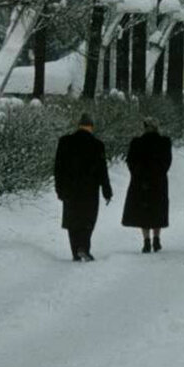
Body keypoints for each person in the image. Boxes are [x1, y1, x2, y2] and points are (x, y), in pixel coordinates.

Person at [53, 112, 113, 262]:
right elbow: (102, 170)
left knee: (72, 219)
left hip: (69, 188)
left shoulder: (65, 141)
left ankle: (75, 250)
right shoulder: (97, 145)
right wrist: (107, 190)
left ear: (78, 125)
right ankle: (84, 247)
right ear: (91, 127)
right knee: (87, 219)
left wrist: (59, 188)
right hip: (89, 189)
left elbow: (58, 167)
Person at [122, 117, 172, 254]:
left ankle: (146, 241)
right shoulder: (164, 142)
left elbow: (130, 161)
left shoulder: (136, 143)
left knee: (143, 212)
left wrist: (137, 174)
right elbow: (167, 161)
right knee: (157, 210)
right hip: (158, 181)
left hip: (140, 181)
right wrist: (159, 173)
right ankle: (156, 238)